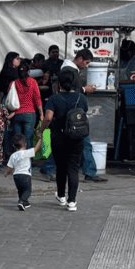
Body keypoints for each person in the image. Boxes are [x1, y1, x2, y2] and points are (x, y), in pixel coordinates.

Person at [36, 68, 87, 211]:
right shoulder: (81, 98)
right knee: (73, 168)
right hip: (77, 138)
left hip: (59, 137)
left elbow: (48, 118)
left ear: (59, 83)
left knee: (61, 167)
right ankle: (72, 201)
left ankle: (61, 196)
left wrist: (42, 130)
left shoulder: (54, 99)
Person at [65, 49, 107, 182]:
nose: (87, 66)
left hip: (72, 113)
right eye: (87, 62)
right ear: (80, 58)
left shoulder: (71, 70)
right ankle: (89, 172)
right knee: (83, 142)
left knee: (72, 143)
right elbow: (70, 91)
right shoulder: (69, 70)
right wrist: (84, 89)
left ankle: (90, 171)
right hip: (73, 114)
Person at [5, 64, 43, 164]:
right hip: (30, 114)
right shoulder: (33, 82)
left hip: (16, 114)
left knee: (17, 138)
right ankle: (27, 161)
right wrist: (41, 113)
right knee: (28, 138)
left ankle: (17, 160)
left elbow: (9, 99)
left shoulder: (13, 83)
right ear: (28, 71)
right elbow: (37, 98)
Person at [5, 133, 34, 210]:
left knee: (20, 190)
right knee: (28, 190)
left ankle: (25, 203)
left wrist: (6, 173)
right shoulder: (27, 153)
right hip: (26, 175)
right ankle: (22, 201)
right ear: (25, 144)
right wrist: (41, 139)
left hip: (16, 175)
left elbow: (9, 167)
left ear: (14, 146)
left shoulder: (13, 155)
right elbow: (37, 148)